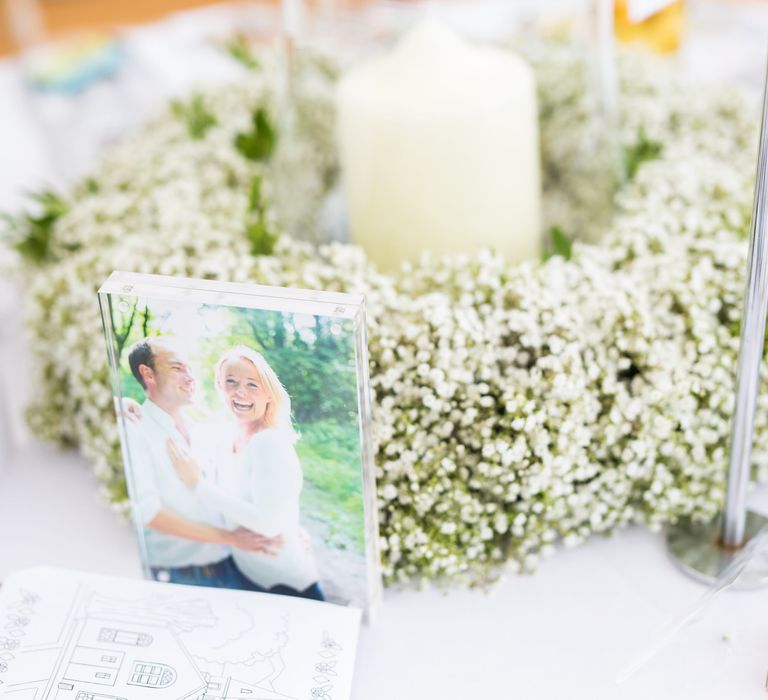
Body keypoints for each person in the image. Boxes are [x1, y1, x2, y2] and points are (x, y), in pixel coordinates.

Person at [167, 345, 323, 601]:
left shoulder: (268, 443)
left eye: (253, 384)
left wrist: (198, 485)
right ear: (220, 387)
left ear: (269, 395)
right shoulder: (227, 437)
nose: (240, 391)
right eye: (231, 382)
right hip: (248, 576)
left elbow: (270, 524)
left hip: (287, 586)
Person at [125, 337, 279, 589]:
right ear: (147, 374)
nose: (190, 377)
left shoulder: (204, 432)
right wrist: (231, 538)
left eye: (190, 369)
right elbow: (150, 514)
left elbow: (230, 493)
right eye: (178, 369)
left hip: (232, 563)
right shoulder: (135, 430)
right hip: (181, 576)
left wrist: (278, 524)